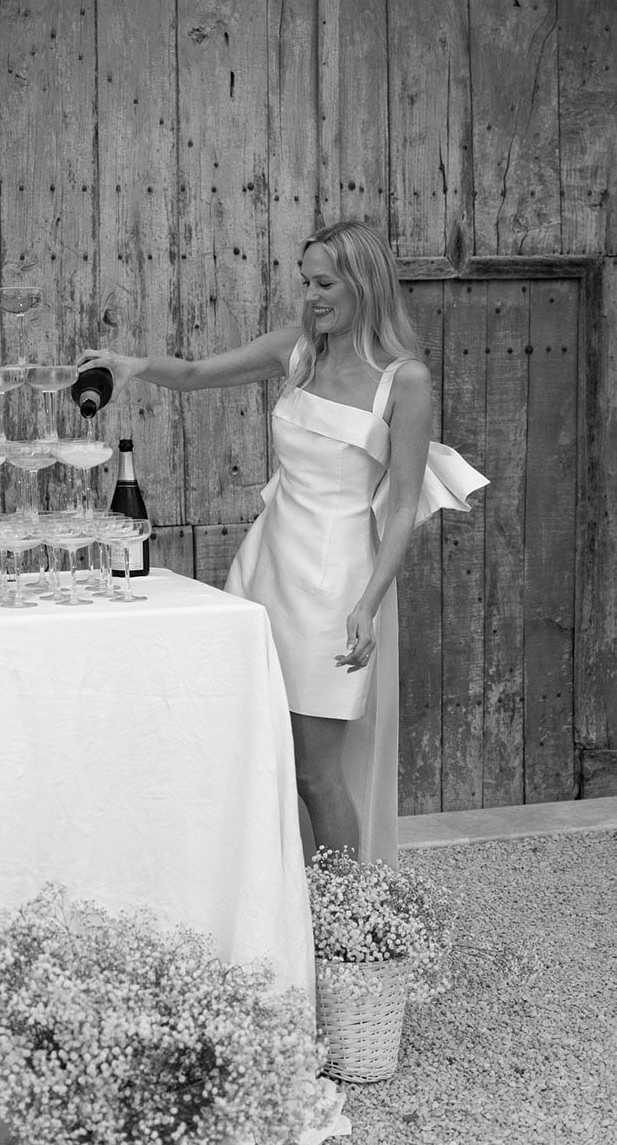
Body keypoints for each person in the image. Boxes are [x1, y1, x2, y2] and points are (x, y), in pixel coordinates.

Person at [77, 220, 486, 865]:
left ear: (365, 284)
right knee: (260, 751)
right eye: (306, 283)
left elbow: (404, 504)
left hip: (336, 585)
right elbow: (195, 374)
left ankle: (349, 909)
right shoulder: (298, 352)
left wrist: (368, 604)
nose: (311, 297)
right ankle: (277, 893)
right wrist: (135, 366)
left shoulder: (403, 380)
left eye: (325, 284)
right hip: (265, 568)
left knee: (315, 772)